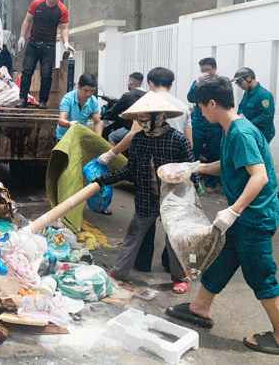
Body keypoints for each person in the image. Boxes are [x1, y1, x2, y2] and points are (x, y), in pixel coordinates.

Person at [166, 77, 279, 356]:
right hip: (243, 218)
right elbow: (229, 164)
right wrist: (198, 168)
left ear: (213, 104)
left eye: (201, 108)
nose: (201, 114)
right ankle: (199, 308)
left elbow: (259, 177)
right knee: (222, 261)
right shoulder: (231, 129)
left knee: (260, 274)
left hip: (254, 218)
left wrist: (233, 211)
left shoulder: (240, 132)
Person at [94, 92, 195, 293]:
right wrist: (105, 180)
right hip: (145, 198)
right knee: (133, 233)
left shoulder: (178, 140)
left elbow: (191, 170)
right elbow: (130, 169)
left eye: (146, 116)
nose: (142, 121)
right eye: (140, 117)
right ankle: (118, 272)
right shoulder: (139, 140)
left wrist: (190, 200)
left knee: (174, 239)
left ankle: (179, 278)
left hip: (173, 200)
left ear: (159, 116)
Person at [15, 0, 74, 109]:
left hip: (49, 45)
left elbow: (64, 27)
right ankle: (23, 98)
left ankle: (43, 101)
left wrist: (66, 42)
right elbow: (27, 20)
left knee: (46, 74)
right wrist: (21, 37)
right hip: (33, 43)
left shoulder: (62, 10)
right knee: (27, 71)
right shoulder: (36, 4)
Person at [187, 57, 222, 193]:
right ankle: (191, 180)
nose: (206, 73)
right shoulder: (199, 82)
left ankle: (211, 182)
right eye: (202, 70)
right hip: (199, 121)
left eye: (208, 70)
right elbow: (190, 98)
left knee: (214, 152)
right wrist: (197, 82)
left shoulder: (221, 82)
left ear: (215, 69)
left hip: (214, 122)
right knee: (193, 150)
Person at [232, 67, 275, 144]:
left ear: (249, 78)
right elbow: (241, 106)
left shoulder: (264, 95)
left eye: (239, 82)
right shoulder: (247, 93)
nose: (239, 85)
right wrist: (240, 114)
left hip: (261, 133)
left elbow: (267, 115)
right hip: (249, 130)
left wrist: (249, 123)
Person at [102, 72, 146, 145]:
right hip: (145, 128)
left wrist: (103, 115)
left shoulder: (128, 95)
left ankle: (114, 155)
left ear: (130, 81)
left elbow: (115, 110)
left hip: (131, 128)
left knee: (112, 136)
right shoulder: (147, 94)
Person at [56, 73, 102, 141]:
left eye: (92, 91)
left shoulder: (93, 100)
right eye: (86, 91)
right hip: (64, 137)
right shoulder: (68, 98)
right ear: (78, 87)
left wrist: (98, 139)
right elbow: (61, 121)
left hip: (79, 138)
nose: (88, 94)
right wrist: (70, 124)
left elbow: (97, 122)